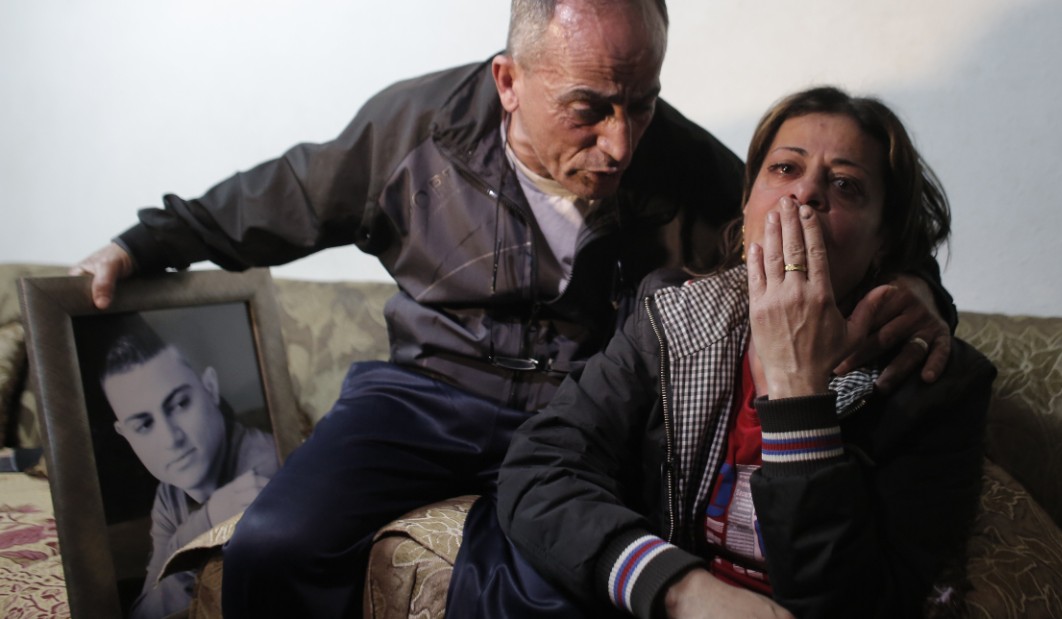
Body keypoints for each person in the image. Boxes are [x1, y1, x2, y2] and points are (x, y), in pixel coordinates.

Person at [73, 1, 956, 616]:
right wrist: (139, 245)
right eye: (590, 110)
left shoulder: (677, 160)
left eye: (641, 105)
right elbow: (276, 199)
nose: (619, 143)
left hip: (581, 413)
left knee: (536, 588)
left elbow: (815, 229)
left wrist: (921, 290)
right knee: (273, 544)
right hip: (421, 394)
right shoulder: (410, 131)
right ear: (508, 81)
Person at [497, 86, 996, 619]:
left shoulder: (936, 385)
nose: (804, 193)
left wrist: (796, 387)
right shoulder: (671, 318)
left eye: (845, 184)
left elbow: (855, 603)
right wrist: (677, 589)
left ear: (885, 241)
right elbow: (538, 468)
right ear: (746, 200)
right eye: (784, 169)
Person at [99, 317, 278, 619]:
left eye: (180, 404)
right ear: (126, 435)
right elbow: (145, 612)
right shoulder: (169, 496)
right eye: (144, 424)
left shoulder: (269, 469)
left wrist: (184, 547)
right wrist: (205, 524)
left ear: (210, 387)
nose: (171, 439)